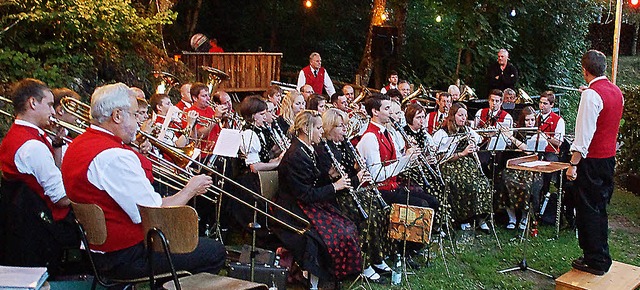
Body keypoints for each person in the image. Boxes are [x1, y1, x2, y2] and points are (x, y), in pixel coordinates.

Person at [61, 83, 226, 279]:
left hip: (96, 249)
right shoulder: (114, 156)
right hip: (124, 256)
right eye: (134, 115)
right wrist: (190, 190)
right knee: (215, 252)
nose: (139, 123)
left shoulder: (78, 144)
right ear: (117, 116)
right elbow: (153, 214)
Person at [275, 110, 362, 288]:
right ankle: (314, 281)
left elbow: (312, 182)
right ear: (307, 129)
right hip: (292, 208)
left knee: (347, 226)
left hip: (306, 202)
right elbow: (305, 194)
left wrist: (329, 177)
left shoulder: (307, 149)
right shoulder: (295, 155)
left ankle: (333, 276)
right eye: (319, 128)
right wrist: (334, 186)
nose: (322, 132)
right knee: (332, 235)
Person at [0, 79, 78, 273]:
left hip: (28, 222)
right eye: (50, 105)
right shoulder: (32, 146)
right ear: (33, 103)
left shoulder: (18, 135)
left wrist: (57, 146)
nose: (53, 112)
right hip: (48, 224)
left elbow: (53, 174)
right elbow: (60, 199)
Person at [356, 95, 439, 268]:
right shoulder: (370, 137)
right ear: (375, 112)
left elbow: (396, 161)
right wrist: (405, 160)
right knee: (421, 205)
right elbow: (377, 174)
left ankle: (413, 246)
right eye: (387, 109)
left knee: (432, 202)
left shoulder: (387, 132)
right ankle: (403, 252)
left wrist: (410, 157)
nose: (391, 114)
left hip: (391, 186)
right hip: (377, 190)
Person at [315, 108, 392, 282]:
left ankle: (377, 257)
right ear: (329, 127)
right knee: (362, 218)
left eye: (345, 126)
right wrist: (355, 177)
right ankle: (362, 265)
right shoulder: (323, 150)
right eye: (341, 127)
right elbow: (330, 182)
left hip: (350, 191)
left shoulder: (343, 144)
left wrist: (357, 169)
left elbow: (350, 172)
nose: (345, 131)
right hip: (334, 197)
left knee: (377, 210)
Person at [566, 50, 623, 276]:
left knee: (587, 209)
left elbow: (583, 136)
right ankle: (600, 254)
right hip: (608, 159)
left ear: (584, 70)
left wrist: (573, 164)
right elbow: (606, 114)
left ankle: (594, 259)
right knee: (599, 208)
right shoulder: (616, 91)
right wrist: (588, 93)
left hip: (593, 161)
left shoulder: (591, 95)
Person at [433, 102, 493, 232]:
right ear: (453, 116)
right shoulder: (443, 133)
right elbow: (441, 158)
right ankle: (463, 219)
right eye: (460, 115)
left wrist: (475, 147)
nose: (463, 118)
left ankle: (480, 218)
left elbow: (479, 142)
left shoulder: (467, 130)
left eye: (465, 116)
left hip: (468, 165)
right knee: (464, 184)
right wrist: (463, 153)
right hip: (450, 166)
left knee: (483, 183)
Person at [232, 95, 282, 230]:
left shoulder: (260, 130)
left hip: (259, 176)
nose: (265, 117)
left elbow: (263, 156)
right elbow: (254, 167)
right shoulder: (248, 134)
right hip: (250, 180)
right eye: (261, 114)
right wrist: (277, 163)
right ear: (253, 116)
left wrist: (274, 153)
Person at [498, 106, 542, 230]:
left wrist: (511, 137)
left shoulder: (538, 134)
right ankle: (512, 218)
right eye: (527, 120)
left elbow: (528, 150)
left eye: (532, 120)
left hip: (532, 167)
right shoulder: (517, 132)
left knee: (527, 185)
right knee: (505, 180)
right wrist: (506, 136)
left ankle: (524, 217)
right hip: (516, 165)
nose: (530, 123)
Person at [537, 90, 566, 210]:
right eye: (540, 103)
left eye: (545, 103)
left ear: (552, 105)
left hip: (550, 151)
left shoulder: (558, 120)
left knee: (547, 167)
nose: (542, 106)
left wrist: (545, 136)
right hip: (536, 150)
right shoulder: (535, 117)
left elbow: (559, 142)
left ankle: (545, 193)